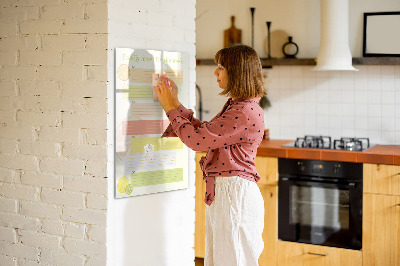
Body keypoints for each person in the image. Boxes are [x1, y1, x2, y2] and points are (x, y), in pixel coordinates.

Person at [153, 44, 266, 266]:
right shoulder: (239, 106)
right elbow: (205, 134)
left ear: (237, 71)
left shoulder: (243, 111)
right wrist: (175, 103)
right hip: (228, 194)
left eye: (221, 67)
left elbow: (197, 141)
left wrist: (169, 108)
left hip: (234, 196)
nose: (215, 72)